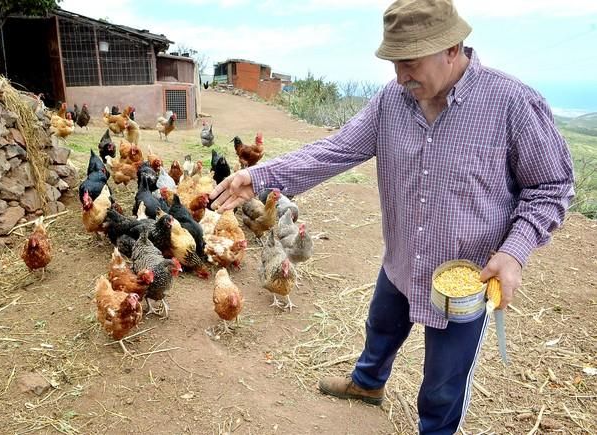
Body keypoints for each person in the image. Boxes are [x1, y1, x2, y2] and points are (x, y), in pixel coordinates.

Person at [209, 0, 574, 432]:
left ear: (452, 48)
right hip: (402, 258)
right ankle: (368, 384)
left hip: (463, 280)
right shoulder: (391, 102)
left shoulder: (512, 104)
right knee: (380, 327)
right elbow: (336, 149)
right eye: (394, 63)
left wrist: (514, 252)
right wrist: (263, 175)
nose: (400, 77)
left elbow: (551, 187)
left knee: (441, 385)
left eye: (411, 63)